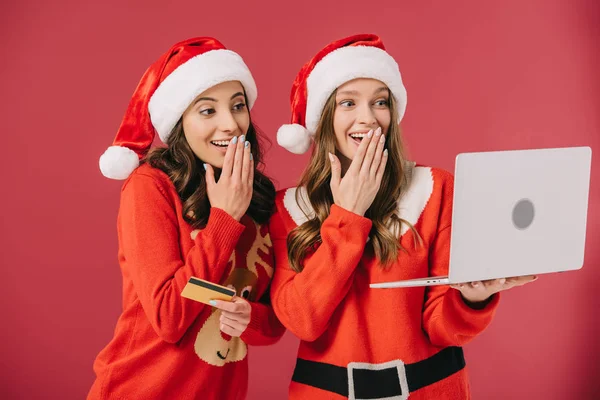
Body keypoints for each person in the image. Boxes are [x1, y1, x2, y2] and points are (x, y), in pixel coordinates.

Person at [270, 33, 535, 399]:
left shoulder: (434, 189)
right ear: (324, 117)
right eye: (348, 103)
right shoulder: (287, 209)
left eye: (380, 102)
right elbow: (303, 320)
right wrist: (348, 215)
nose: (369, 118)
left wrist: (473, 298)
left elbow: (443, 328)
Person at [89, 37, 284, 400]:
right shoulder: (150, 187)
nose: (231, 124)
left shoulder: (257, 198)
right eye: (207, 111)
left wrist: (248, 317)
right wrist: (224, 218)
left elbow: (272, 326)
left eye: (238, 106)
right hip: (139, 390)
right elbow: (169, 316)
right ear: (180, 121)